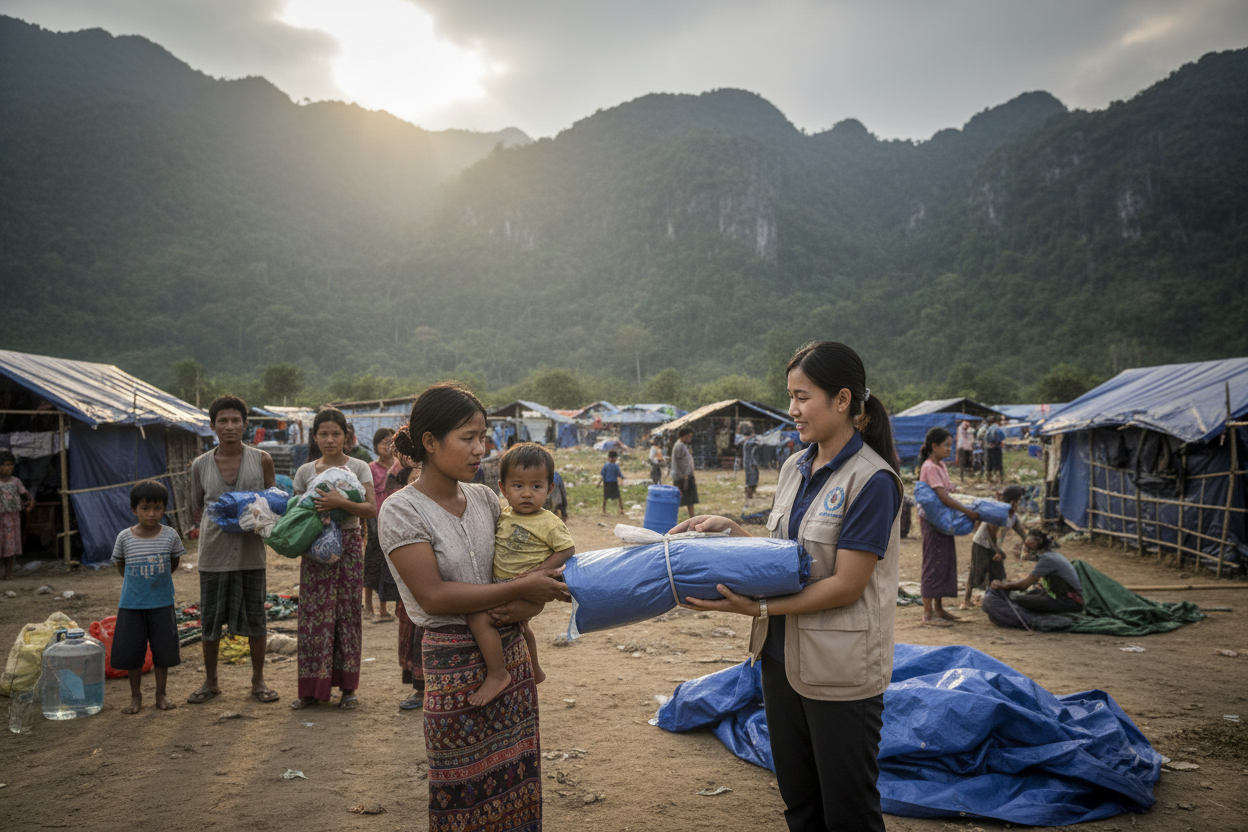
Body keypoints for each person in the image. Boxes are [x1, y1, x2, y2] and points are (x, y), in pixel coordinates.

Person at [672, 340, 902, 832]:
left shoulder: (872, 481)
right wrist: (733, 532)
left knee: (848, 811)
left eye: (803, 397)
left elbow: (845, 585)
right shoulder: (794, 469)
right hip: (780, 656)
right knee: (800, 801)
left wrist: (756, 609)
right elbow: (788, 557)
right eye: (790, 397)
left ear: (843, 400)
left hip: (839, 669)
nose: (792, 410)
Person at [379, 382, 569, 830]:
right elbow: (434, 596)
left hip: (511, 655)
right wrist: (525, 588)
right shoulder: (401, 510)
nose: (480, 449)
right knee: (461, 789)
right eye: (468, 438)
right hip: (453, 668)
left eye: (483, 437)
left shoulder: (486, 498)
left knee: (517, 783)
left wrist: (530, 603)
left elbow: (519, 566)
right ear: (430, 442)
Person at [467, 442, 575, 705]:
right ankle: (535, 669)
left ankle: (497, 674)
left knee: (479, 619)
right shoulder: (503, 515)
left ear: (549, 490)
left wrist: (540, 572)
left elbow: (567, 549)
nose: (527, 494)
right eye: (518, 486)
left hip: (529, 587)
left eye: (536, 487)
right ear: (503, 488)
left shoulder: (549, 521)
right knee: (522, 627)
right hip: (504, 584)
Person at [188, 395, 279, 705]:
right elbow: (198, 507)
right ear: (212, 426)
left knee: (256, 620)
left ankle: (258, 681)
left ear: (245, 424)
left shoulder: (262, 459)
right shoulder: (200, 465)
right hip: (212, 554)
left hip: (251, 553)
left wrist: (251, 515)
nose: (229, 426)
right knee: (210, 621)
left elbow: (273, 503)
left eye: (235, 420)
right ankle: (211, 682)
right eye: (222, 421)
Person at [289, 408, 377, 710]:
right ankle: (310, 689)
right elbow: (296, 512)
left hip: (350, 546)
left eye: (336, 434)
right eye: (323, 434)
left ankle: (348, 690)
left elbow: (371, 509)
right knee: (313, 616)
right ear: (315, 437)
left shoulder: (359, 467)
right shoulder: (304, 472)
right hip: (314, 549)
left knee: (347, 613)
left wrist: (340, 502)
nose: (330, 439)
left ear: (346, 437)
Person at [112, 479, 184, 714]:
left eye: (157, 508)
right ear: (134, 509)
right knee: (133, 653)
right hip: (132, 605)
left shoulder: (171, 535)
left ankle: (161, 694)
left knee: (163, 652)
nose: (151, 514)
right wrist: (139, 584)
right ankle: (136, 697)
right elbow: (121, 566)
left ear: (165, 508)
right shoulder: (124, 537)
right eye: (145, 508)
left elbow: (173, 562)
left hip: (162, 603)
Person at [917, 426, 979, 624]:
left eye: (951, 446)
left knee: (943, 561)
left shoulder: (941, 466)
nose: (949, 449)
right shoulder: (930, 467)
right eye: (946, 445)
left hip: (943, 520)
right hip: (933, 520)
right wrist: (968, 512)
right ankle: (928, 613)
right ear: (934, 446)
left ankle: (939, 608)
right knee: (933, 562)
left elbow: (948, 490)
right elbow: (943, 497)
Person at [961, 485, 1027, 610]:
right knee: (977, 572)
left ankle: (998, 599)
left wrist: (1028, 543)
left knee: (999, 574)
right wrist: (998, 551)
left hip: (996, 547)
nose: (1018, 504)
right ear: (1013, 502)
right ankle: (966, 601)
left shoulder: (1013, 516)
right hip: (982, 544)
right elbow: (991, 534)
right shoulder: (998, 512)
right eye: (1018, 501)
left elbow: (1021, 532)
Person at [991, 529, 1085, 613]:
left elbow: (1023, 585)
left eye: (1027, 541)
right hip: (1069, 598)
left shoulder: (1047, 559)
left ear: (1037, 542)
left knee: (1017, 598)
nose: (1025, 544)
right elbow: (1033, 559)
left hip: (1070, 602)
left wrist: (1003, 586)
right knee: (1034, 593)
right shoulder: (1052, 554)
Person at [363, 427, 397, 621]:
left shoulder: (399, 466)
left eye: (391, 442)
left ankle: (385, 605)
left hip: (394, 519)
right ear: (376, 446)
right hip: (375, 518)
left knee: (389, 560)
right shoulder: (371, 467)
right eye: (384, 442)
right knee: (373, 558)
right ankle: (368, 603)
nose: (388, 446)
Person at [0, 450, 33, 580]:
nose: (8, 468)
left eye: (10, 464)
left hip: (12, 518)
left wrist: (29, 506)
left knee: (11, 544)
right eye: (4, 464)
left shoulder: (15, 481)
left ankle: (9, 572)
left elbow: (28, 497)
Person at [671, 427, 698, 519]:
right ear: (683, 437)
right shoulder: (679, 446)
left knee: (690, 499)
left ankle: (692, 518)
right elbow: (679, 462)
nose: (689, 439)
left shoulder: (684, 446)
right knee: (680, 499)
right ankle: (673, 517)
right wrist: (684, 474)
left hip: (687, 476)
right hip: (682, 477)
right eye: (688, 437)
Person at [600, 449, 625, 514]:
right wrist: (623, 477)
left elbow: (602, 474)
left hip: (607, 483)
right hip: (612, 483)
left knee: (606, 497)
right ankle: (621, 509)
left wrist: (599, 483)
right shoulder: (616, 466)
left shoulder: (605, 465)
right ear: (616, 458)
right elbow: (619, 474)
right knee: (618, 497)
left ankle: (604, 511)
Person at [739, 422, 760, 499]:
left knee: (754, 477)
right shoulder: (748, 441)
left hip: (751, 462)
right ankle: (749, 493)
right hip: (750, 462)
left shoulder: (748, 440)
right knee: (751, 478)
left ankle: (750, 492)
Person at [984, 416, 1006, 484]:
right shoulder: (996, 428)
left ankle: (989, 479)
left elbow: (986, 438)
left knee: (989, 463)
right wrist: (997, 441)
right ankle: (1000, 479)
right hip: (996, 447)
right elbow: (1002, 436)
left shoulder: (988, 429)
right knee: (998, 464)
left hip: (989, 447)